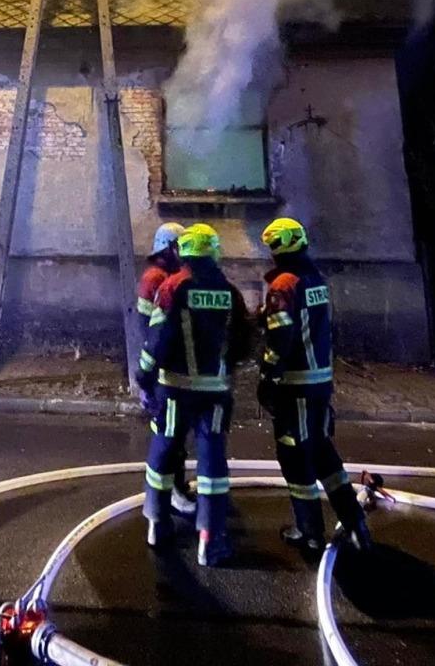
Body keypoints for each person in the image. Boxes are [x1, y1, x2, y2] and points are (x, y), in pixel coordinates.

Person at [256, 217, 374, 556]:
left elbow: (280, 338)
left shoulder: (283, 285)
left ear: (277, 248)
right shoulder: (315, 280)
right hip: (321, 385)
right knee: (323, 454)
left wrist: (267, 378)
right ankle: (356, 523)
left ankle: (308, 531)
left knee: (294, 458)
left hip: (296, 388)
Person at [135, 222, 250, 566]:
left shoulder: (172, 288)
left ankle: (157, 523)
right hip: (214, 392)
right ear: (213, 252)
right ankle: (210, 540)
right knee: (212, 462)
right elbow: (242, 342)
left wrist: (144, 376)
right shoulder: (231, 292)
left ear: (183, 252)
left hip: (173, 389)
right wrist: (224, 370)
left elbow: (157, 339)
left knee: (164, 450)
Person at [137, 222, 195, 518]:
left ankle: (176, 487)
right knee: (167, 437)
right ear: (168, 247)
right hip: (161, 372)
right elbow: (150, 331)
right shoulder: (155, 279)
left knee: (175, 436)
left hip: (165, 368)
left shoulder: (167, 277)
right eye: (179, 247)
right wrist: (146, 377)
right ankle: (168, 495)